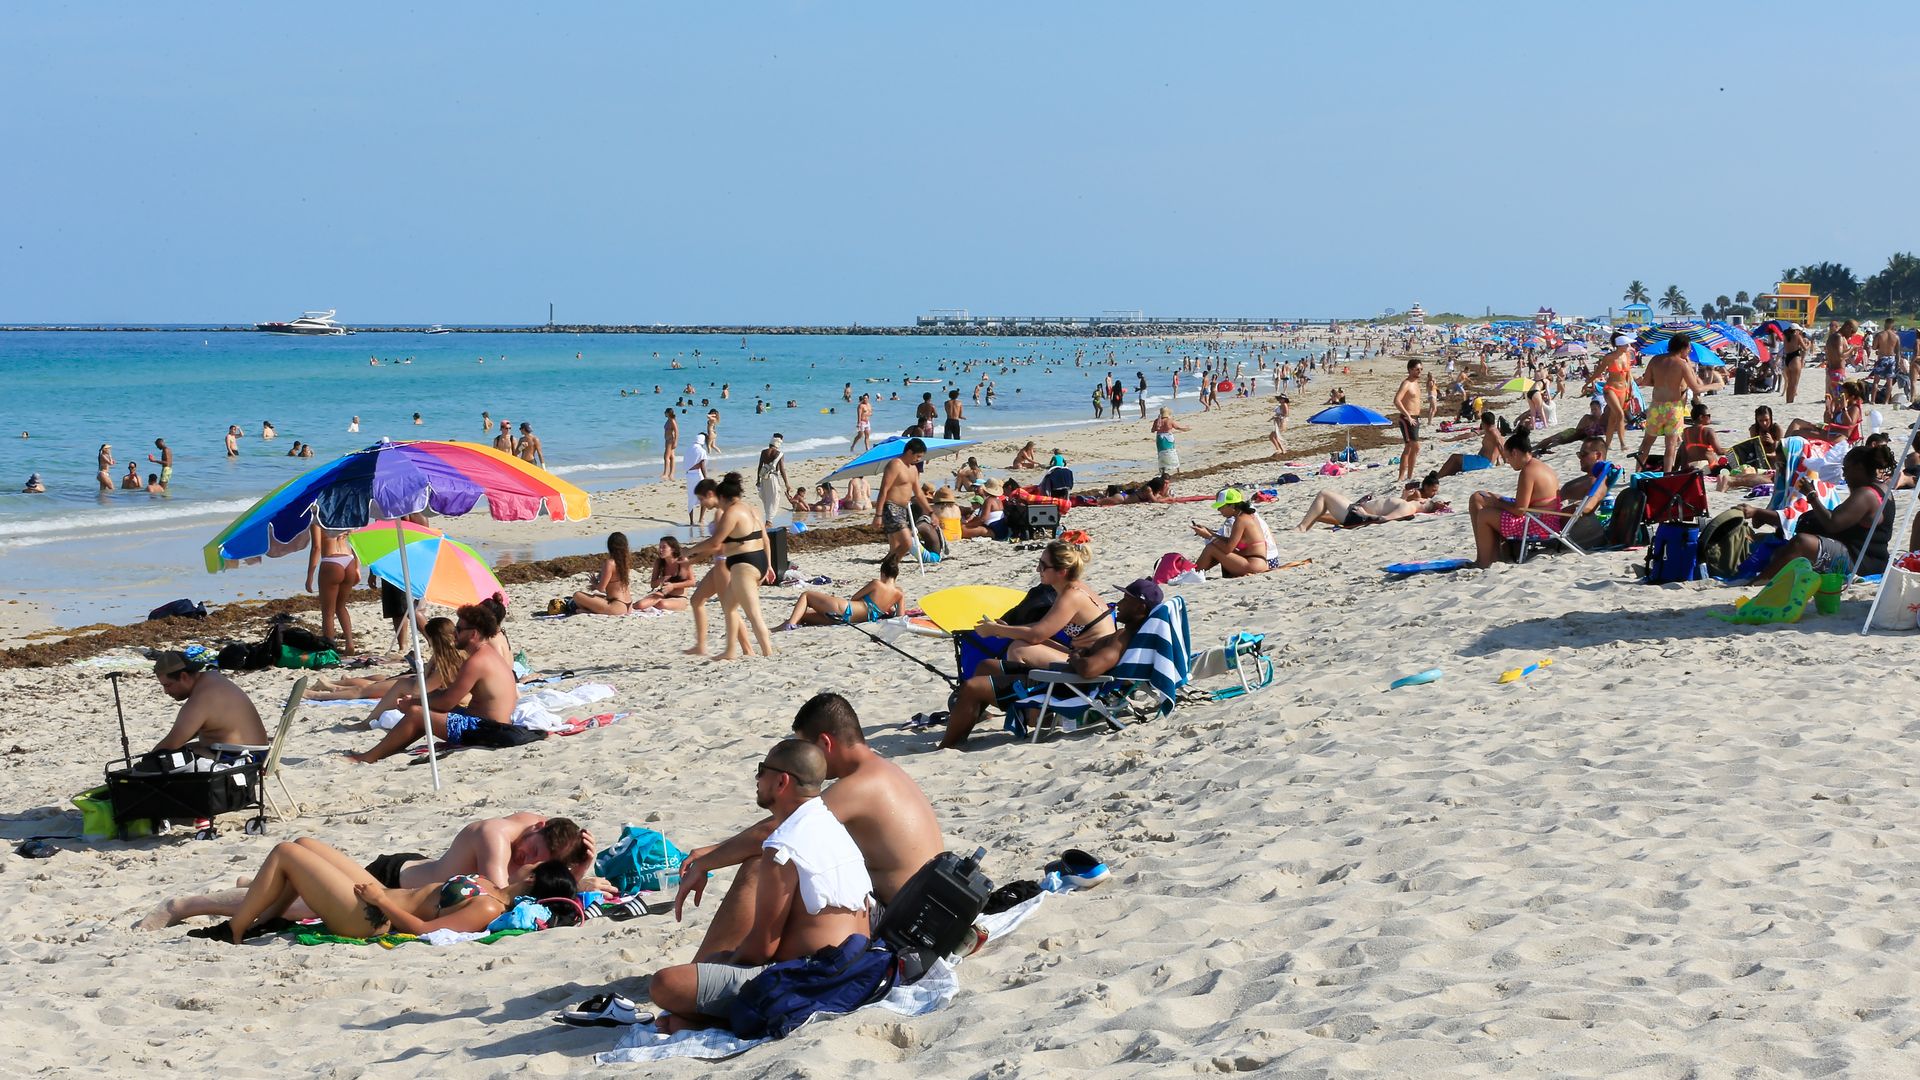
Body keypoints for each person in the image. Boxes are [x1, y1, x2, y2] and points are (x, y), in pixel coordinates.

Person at [651, 738, 874, 1033]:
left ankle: (708, 1019)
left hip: (816, 978)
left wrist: (729, 960)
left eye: (761, 770)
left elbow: (762, 947)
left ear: (782, 781)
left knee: (665, 984)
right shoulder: (830, 826)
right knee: (713, 966)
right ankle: (704, 1015)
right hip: (860, 965)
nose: (756, 778)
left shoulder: (783, 847)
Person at [140, 814, 595, 930]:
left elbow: (530, 885)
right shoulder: (498, 836)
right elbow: (503, 883)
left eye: (538, 860)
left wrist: (583, 866)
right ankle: (199, 903)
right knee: (296, 892)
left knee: (295, 885)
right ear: (536, 827)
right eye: (532, 852)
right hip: (391, 879)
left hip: (396, 895)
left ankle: (219, 897)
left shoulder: (538, 840)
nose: (529, 861)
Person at [201, 836, 579, 944]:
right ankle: (266, 920)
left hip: (371, 918)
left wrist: (381, 900)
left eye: (535, 864)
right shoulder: (491, 884)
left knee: (286, 853)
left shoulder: (488, 909)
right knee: (303, 843)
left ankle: (235, 931)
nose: (527, 861)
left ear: (532, 878)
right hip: (377, 897)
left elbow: (427, 930)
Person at [941, 578, 1157, 749]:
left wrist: (1076, 657)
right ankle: (966, 723)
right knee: (986, 666)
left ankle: (949, 744)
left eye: (1126, 600)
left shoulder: (1121, 639)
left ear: (1140, 608)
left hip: (1061, 685)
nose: (1119, 604)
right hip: (1063, 676)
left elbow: (1090, 669)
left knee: (971, 687)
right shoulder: (1124, 634)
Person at [348, 602, 522, 763]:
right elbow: (448, 697)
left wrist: (413, 702)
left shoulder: (476, 662)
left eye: (458, 629)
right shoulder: (488, 655)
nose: (454, 634)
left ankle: (367, 757)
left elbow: (447, 702)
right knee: (426, 708)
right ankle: (391, 748)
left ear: (473, 634)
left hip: (487, 730)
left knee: (417, 713)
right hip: (497, 726)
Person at [1745, 443, 1896, 578]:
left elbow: (1832, 523)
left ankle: (1760, 581)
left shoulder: (1866, 494)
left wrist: (1811, 495)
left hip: (1860, 562)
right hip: (1873, 558)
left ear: (1859, 468)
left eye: (1846, 469)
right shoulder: (1882, 489)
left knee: (1801, 542)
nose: (1844, 474)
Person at [969, 539, 1113, 670]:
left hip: (1090, 665)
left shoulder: (1072, 596)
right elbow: (1043, 627)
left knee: (1018, 649)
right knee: (1020, 640)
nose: (1038, 569)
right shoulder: (1076, 590)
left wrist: (996, 630)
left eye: (1043, 566)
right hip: (1087, 657)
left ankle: (1024, 696)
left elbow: (1036, 635)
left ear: (1061, 572)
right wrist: (1007, 629)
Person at [684, 472, 776, 661]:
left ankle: (768, 654)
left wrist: (688, 552)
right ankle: (730, 651)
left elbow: (715, 542)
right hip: (756, 560)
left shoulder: (733, 512)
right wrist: (768, 565)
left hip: (744, 565)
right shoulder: (752, 509)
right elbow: (766, 539)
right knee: (729, 607)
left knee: (753, 614)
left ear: (723, 497)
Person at [305, 616, 463, 716]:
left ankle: (319, 694)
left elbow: (419, 688)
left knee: (366, 689)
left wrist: (429, 665)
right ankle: (336, 686)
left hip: (425, 690)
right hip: (426, 686)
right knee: (380, 680)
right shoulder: (456, 653)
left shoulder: (445, 661)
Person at [144, 651, 270, 767]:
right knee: (182, 751)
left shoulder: (201, 698)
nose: (166, 692)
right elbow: (186, 734)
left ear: (183, 676)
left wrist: (145, 762)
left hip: (242, 760)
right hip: (259, 753)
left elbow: (172, 743)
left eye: (168, 685)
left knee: (168, 761)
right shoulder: (212, 678)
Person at [1468, 429, 1562, 567]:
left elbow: (1519, 510)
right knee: (1477, 498)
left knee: (1485, 514)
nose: (1509, 463)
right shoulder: (1539, 465)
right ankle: (1486, 555)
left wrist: (1497, 503)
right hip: (1544, 518)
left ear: (1515, 453)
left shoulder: (1528, 471)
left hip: (1538, 524)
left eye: (1508, 458)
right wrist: (1498, 501)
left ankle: (1486, 560)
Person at [1633, 334, 1726, 473]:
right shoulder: (1682, 364)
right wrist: (1716, 385)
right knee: (1670, 445)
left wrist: (1662, 383)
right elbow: (1696, 388)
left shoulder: (1656, 359)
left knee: (1646, 443)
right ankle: (1667, 474)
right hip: (1674, 408)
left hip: (1656, 406)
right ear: (1683, 348)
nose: (1689, 351)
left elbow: (1646, 382)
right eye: (1689, 348)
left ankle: (1637, 472)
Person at [780, 557, 904, 630]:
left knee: (806, 595)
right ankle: (777, 629)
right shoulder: (899, 594)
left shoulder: (877, 584)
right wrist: (887, 608)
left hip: (845, 609)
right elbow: (900, 617)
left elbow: (855, 597)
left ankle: (791, 625)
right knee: (803, 615)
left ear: (883, 573)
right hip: (846, 621)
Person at [1295, 475, 1447, 531]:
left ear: (1422, 502)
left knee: (1324, 494)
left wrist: (1365, 514)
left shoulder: (1407, 508)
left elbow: (1385, 520)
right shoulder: (1407, 505)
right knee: (1326, 499)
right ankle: (1305, 525)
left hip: (1356, 515)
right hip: (1356, 510)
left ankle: (1302, 528)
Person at [874, 438, 934, 565]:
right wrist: (878, 515)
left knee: (895, 547)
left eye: (921, 457)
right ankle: (890, 566)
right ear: (909, 452)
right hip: (891, 508)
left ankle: (888, 567)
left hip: (903, 509)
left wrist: (931, 512)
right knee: (907, 542)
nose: (918, 460)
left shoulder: (913, 469)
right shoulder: (895, 464)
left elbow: (918, 494)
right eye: (917, 456)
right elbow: (884, 490)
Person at [1191, 488, 1278, 575]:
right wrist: (1211, 533)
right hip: (1258, 562)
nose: (1219, 510)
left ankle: (1192, 573)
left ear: (1232, 506)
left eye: (1221, 507)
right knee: (1214, 546)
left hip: (1253, 564)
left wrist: (1209, 536)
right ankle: (1194, 572)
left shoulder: (1241, 520)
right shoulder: (1246, 515)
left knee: (1211, 548)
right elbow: (1231, 542)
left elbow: (1228, 548)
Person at [305, 521, 358, 653]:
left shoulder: (317, 519)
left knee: (328, 612)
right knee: (341, 606)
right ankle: (350, 643)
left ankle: (330, 648)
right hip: (349, 559)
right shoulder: (344, 516)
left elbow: (316, 547)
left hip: (332, 561)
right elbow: (355, 541)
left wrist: (310, 575)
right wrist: (357, 567)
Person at [571, 532, 635, 615]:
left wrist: (594, 583)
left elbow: (601, 588)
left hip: (617, 606)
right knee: (598, 597)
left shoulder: (610, 563)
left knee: (577, 595)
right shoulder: (626, 562)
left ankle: (589, 611)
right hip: (628, 605)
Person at [1438, 413, 1503, 478]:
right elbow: (1496, 445)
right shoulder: (1491, 431)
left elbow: (1500, 445)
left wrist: (1505, 461)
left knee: (1454, 458)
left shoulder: (1492, 432)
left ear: (1484, 422)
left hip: (1484, 463)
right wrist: (1498, 460)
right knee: (1456, 466)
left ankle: (1437, 477)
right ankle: (1440, 477)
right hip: (1482, 461)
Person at [1395, 359, 1424, 484]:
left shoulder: (1416, 383)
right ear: (1410, 369)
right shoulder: (1406, 383)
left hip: (1415, 418)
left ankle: (1408, 476)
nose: (1420, 372)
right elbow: (1397, 400)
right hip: (1408, 419)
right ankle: (1402, 477)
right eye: (1417, 369)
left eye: (1421, 369)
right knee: (1415, 446)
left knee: (1409, 448)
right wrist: (1408, 416)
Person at [1676, 404, 1724, 471]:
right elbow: (1719, 451)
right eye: (1708, 415)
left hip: (1691, 467)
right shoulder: (1708, 431)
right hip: (1708, 468)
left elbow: (1680, 452)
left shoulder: (1685, 432)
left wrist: (1675, 470)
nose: (1710, 418)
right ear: (1701, 417)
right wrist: (1733, 449)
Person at [756, 434, 790, 525]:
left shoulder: (763, 452)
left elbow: (760, 467)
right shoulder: (779, 454)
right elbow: (782, 469)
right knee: (774, 498)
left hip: (764, 477)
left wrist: (758, 480)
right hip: (773, 478)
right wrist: (786, 483)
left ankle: (768, 519)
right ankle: (769, 520)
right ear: (778, 443)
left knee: (766, 498)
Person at [1151, 407, 1190, 476]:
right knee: (1172, 452)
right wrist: (1186, 428)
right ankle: (1177, 469)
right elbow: (1178, 427)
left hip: (1160, 438)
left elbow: (1152, 430)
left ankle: (1163, 470)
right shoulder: (1169, 420)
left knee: (1161, 453)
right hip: (1168, 437)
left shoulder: (1157, 421)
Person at [685, 431, 710, 526]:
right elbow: (702, 465)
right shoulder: (701, 451)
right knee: (703, 496)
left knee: (690, 497)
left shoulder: (689, 449)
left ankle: (691, 521)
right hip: (698, 474)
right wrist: (706, 478)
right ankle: (701, 519)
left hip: (689, 475)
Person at [661, 408, 679, 482]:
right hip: (667, 440)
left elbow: (676, 431)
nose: (664, 413)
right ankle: (671, 474)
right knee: (671, 457)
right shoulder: (668, 420)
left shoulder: (672, 421)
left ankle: (666, 473)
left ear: (668, 413)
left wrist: (675, 441)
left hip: (671, 440)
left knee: (666, 457)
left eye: (665, 412)